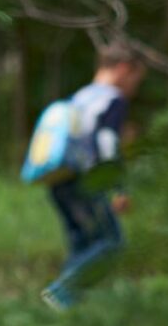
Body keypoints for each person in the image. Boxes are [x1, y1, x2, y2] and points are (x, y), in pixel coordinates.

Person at [40, 42, 147, 311]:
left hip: (58, 177)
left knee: (82, 243)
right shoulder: (112, 98)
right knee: (111, 243)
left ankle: (64, 308)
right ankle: (60, 293)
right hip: (86, 180)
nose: (135, 87)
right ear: (123, 69)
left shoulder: (81, 96)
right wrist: (118, 187)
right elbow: (107, 141)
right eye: (136, 79)